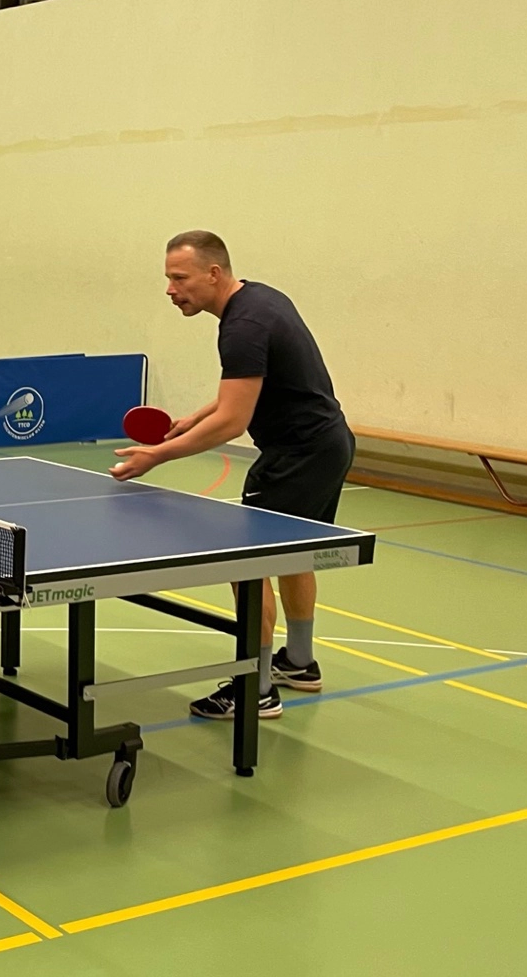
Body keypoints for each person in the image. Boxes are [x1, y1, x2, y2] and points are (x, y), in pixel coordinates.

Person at [110, 230, 353, 722]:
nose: (171, 290)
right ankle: (299, 662)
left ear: (214, 273)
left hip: (295, 456)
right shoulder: (261, 300)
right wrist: (193, 419)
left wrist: (156, 456)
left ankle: (255, 689)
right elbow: (244, 391)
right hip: (328, 445)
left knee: (248, 567)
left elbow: (233, 422)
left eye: (180, 278)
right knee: (293, 555)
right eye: (168, 279)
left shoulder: (242, 326)